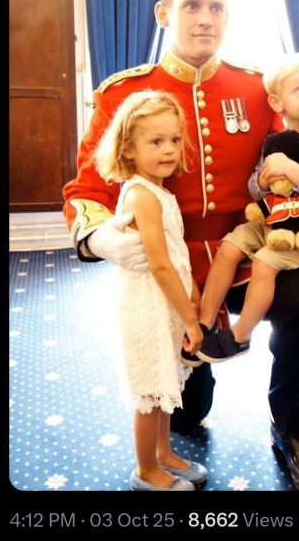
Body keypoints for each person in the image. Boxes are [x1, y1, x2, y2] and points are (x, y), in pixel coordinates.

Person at [63, 0, 299, 491]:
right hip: (168, 263)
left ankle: (294, 433)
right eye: (192, 5)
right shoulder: (122, 94)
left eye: (217, 7)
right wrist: (99, 236)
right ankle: (185, 395)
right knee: (189, 414)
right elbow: (86, 190)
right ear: (164, 13)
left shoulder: (257, 88)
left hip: (245, 252)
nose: (206, 18)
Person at [190, 53, 299, 365]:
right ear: (277, 103)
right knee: (230, 246)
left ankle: (240, 336)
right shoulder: (273, 141)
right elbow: (254, 186)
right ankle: (206, 321)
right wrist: (262, 181)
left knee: (264, 263)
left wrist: (293, 171)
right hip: (270, 221)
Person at [93, 89, 207, 492]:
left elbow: (175, 250)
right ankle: (145, 470)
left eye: (174, 139)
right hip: (148, 307)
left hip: (166, 304)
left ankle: (163, 453)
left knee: (165, 383)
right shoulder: (141, 194)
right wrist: (191, 319)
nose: (169, 150)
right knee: (150, 393)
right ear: (128, 148)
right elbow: (158, 264)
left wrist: (192, 288)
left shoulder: (159, 190)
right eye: (156, 142)